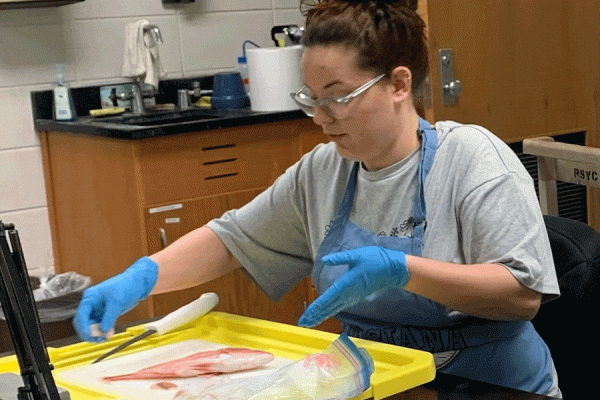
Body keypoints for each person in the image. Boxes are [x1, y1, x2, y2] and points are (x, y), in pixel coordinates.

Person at [73, 0, 561, 397]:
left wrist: (406, 271)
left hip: (489, 384)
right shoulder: (324, 170)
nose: (320, 116)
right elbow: (232, 239)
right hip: (381, 382)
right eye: (310, 97)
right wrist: (143, 277)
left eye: (338, 95)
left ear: (399, 83)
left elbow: (522, 294)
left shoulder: (472, 158)